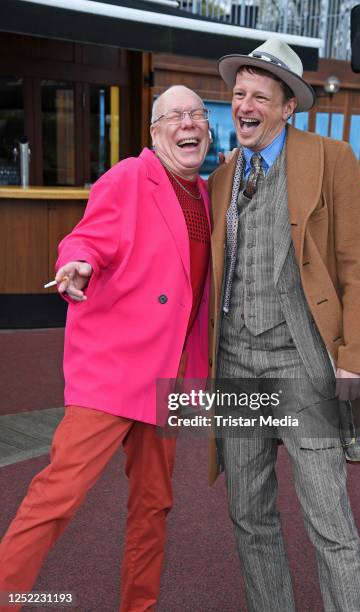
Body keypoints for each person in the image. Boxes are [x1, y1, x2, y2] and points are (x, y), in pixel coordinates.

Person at [0, 85, 211, 612]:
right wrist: (76, 264)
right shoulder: (128, 177)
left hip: (169, 377)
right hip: (116, 368)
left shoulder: (208, 194)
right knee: (57, 497)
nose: (188, 123)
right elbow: (87, 238)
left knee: (154, 505)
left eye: (197, 114)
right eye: (175, 115)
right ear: (156, 132)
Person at [207, 36, 360, 611]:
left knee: (329, 520)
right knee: (248, 514)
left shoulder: (331, 158)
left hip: (300, 362)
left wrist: (357, 356)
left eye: (260, 95)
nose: (245, 105)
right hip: (234, 362)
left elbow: (359, 264)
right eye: (239, 94)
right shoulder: (225, 173)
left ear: (288, 107)